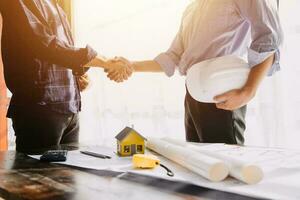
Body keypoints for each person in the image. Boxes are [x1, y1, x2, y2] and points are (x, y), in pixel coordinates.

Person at [107, 0, 283, 145]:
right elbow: (172, 57)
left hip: (223, 96)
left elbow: (269, 38)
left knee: (226, 167)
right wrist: (131, 65)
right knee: (200, 163)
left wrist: (248, 91)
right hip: (192, 97)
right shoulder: (192, 9)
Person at [0, 0, 132, 154]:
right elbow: (43, 44)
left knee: (69, 175)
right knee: (37, 176)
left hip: (70, 108)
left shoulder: (55, 4)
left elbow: (59, 51)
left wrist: (77, 76)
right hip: (40, 109)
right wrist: (104, 61)